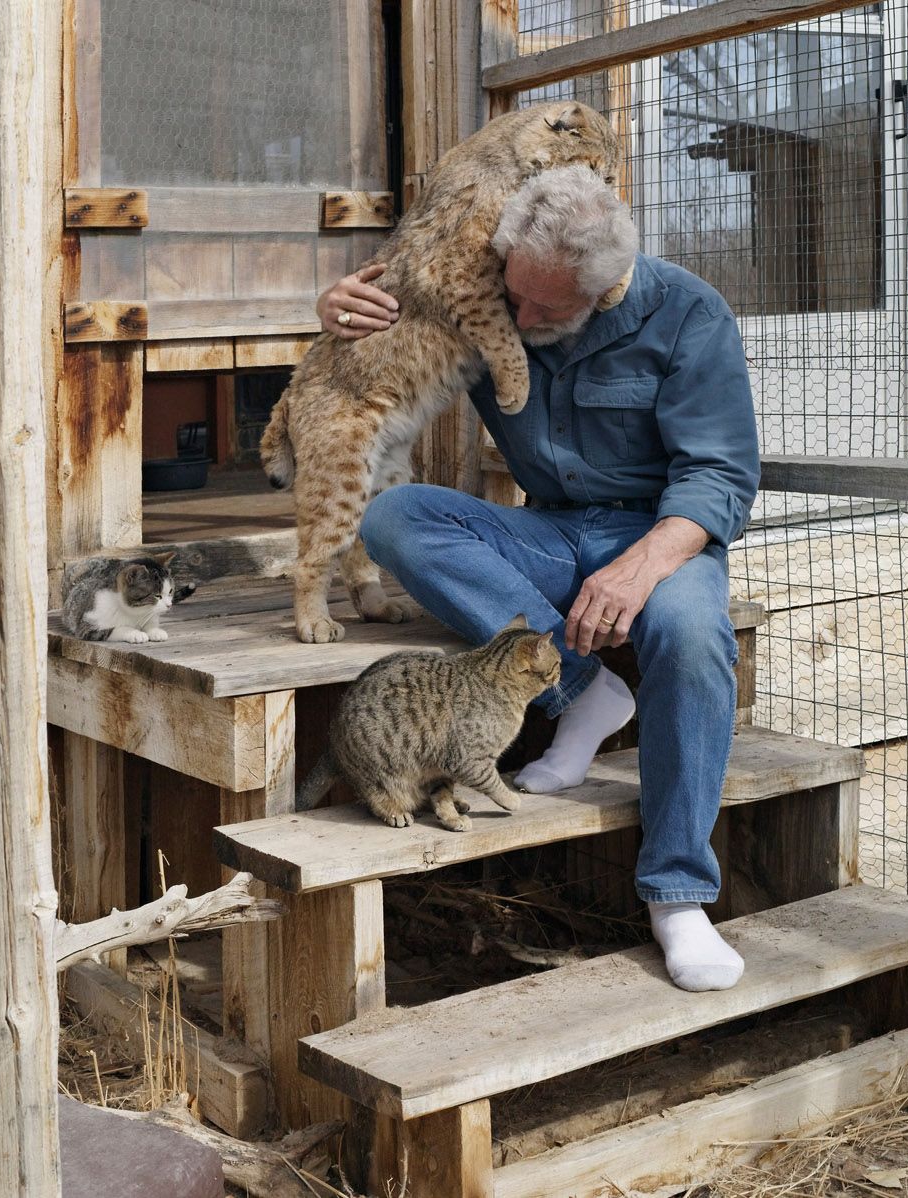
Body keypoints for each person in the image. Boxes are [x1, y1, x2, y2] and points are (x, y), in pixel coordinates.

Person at [315, 165, 760, 992]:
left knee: (694, 636)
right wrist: (336, 310)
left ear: (604, 288)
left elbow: (721, 477)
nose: (519, 320)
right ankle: (585, 694)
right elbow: (379, 337)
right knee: (397, 516)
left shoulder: (690, 313)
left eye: (544, 311)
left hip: (661, 533)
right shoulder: (495, 288)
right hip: (547, 526)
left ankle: (676, 893)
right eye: (514, 297)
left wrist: (640, 568)